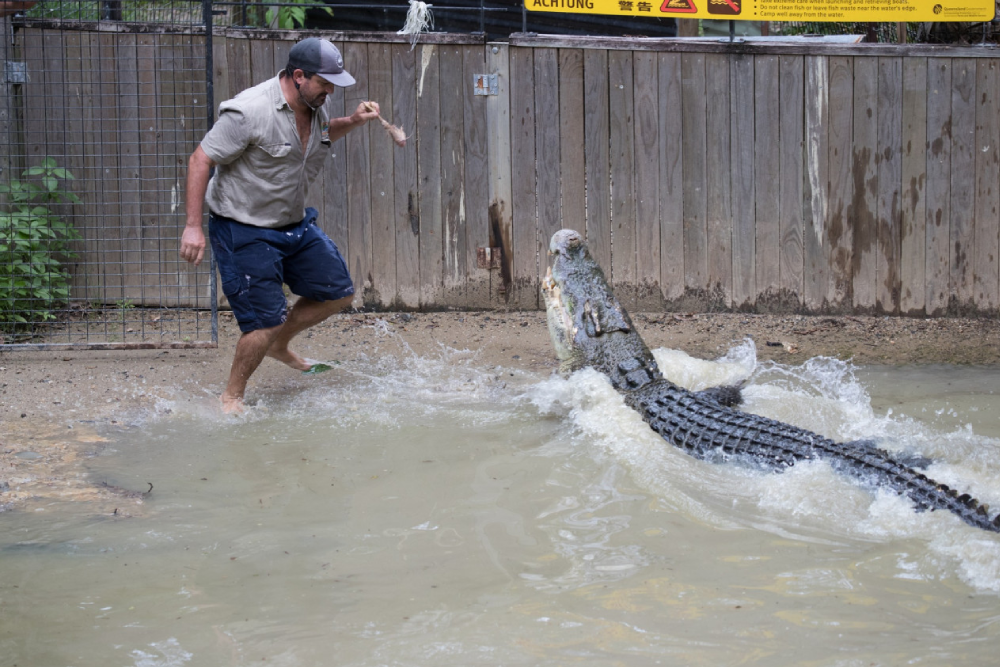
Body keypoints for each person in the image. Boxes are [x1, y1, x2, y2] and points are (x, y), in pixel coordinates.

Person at [180, 37, 380, 413]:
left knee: (337, 292)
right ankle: (232, 397)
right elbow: (199, 159)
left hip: (292, 222)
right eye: (325, 82)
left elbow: (318, 138)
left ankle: (277, 345)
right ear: (299, 76)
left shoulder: (314, 103)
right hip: (244, 228)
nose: (331, 90)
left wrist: (352, 122)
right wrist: (193, 226)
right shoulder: (249, 111)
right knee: (263, 322)